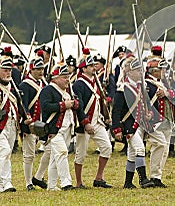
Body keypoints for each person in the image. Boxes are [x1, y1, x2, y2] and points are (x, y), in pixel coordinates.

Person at [72, 49, 113, 188]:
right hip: (85, 123)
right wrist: (85, 123)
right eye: (90, 66)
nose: (94, 68)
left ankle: (99, 178)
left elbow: (99, 99)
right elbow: (79, 106)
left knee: (107, 148)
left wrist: (105, 114)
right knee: (81, 154)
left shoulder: (96, 82)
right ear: (83, 68)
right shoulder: (78, 84)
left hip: (97, 121)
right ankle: (78, 182)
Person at [111, 57, 154, 189]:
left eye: (141, 70)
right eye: (137, 70)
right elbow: (116, 111)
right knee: (140, 149)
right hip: (128, 126)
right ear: (129, 72)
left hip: (140, 124)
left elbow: (145, 105)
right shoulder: (123, 89)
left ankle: (128, 182)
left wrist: (149, 113)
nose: (141, 73)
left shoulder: (142, 87)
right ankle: (143, 179)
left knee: (131, 153)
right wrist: (116, 128)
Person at [39, 63, 77, 191]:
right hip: (54, 129)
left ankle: (52, 185)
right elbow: (45, 107)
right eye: (64, 77)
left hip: (67, 128)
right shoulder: (47, 90)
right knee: (62, 153)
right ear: (55, 78)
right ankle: (66, 182)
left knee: (56, 158)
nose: (67, 79)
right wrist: (63, 105)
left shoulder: (67, 91)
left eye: (68, 76)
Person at [142, 58, 175, 187]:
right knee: (159, 146)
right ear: (154, 71)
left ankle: (158, 175)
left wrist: (166, 92)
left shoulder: (164, 83)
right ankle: (154, 176)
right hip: (155, 121)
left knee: (165, 149)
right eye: (161, 69)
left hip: (167, 119)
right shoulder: (146, 84)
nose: (164, 71)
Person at [19, 52, 48, 191]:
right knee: (29, 155)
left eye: (42, 69)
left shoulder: (43, 83)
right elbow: (23, 104)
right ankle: (28, 182)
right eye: (38, 69)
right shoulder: (25, 85)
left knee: (49, 150)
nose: (41, 71)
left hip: (42, 123)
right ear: (31, 69)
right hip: (30, 124)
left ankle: (38, 177)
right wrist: (28, 119)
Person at [0, 47, 19, 192]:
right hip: (1, 125)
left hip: (12, 124)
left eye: (10, 70)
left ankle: (6, 182)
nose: (8, 73)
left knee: (7, 153)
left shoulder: (13, 89)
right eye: (5, 70)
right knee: (5, 151)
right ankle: (5, 183)